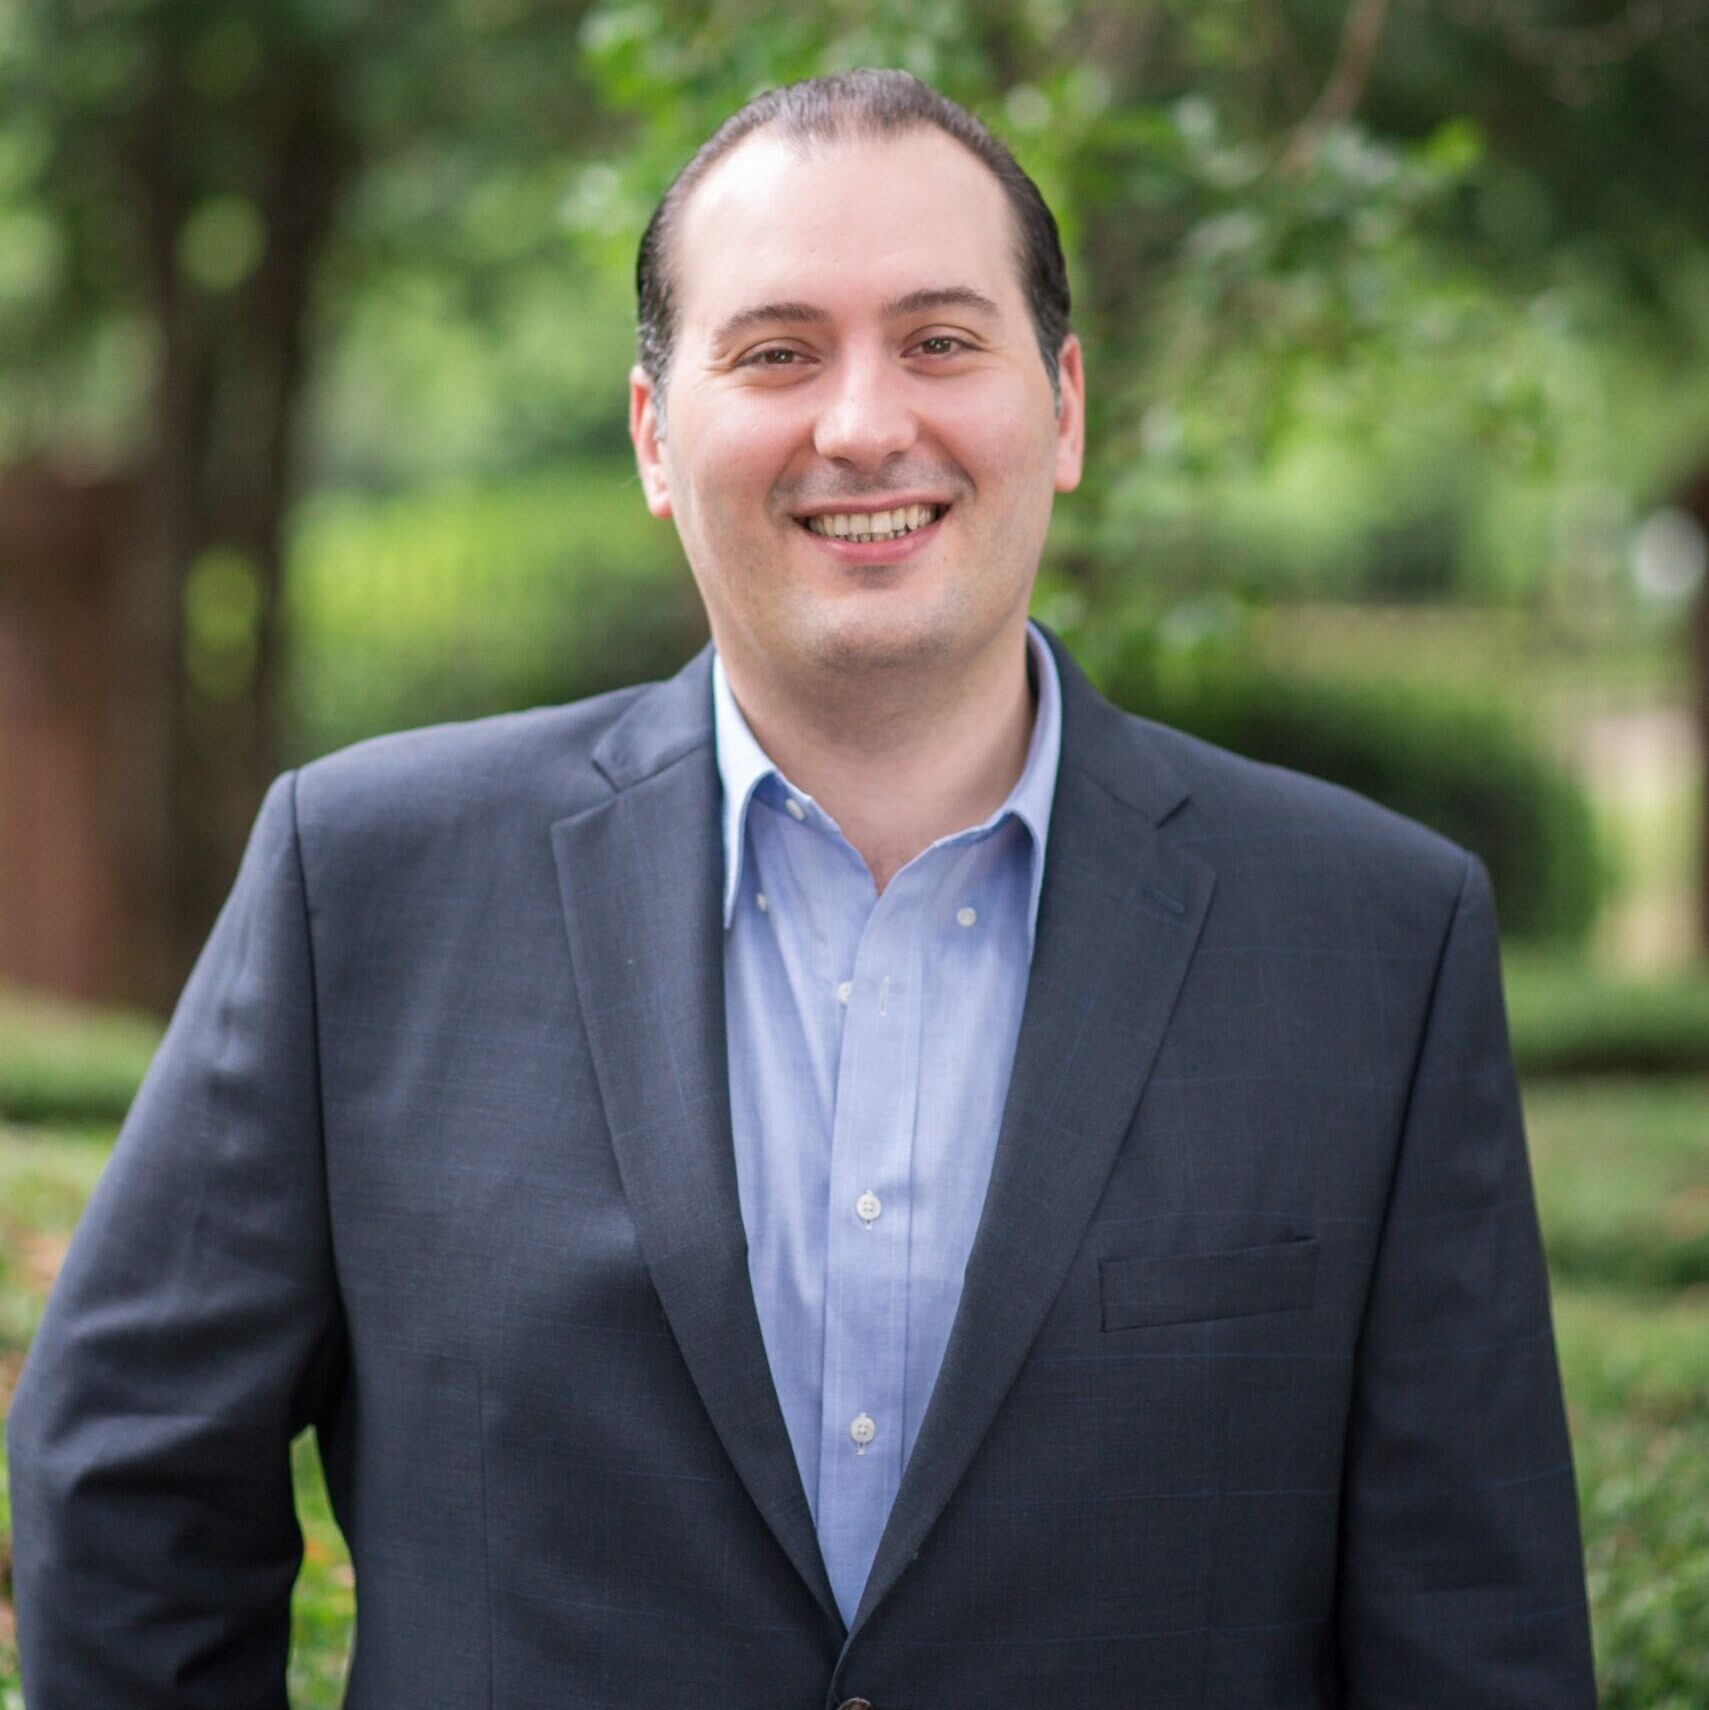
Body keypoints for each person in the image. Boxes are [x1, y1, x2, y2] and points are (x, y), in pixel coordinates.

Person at [7, 69, 1597, 1708]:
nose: (859, 422)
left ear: (1061, 409)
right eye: (774, 351)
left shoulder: (1371, 942)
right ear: (651, 433)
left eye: (938, 341)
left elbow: (1472, 1614)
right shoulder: (367, 884)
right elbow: (128, 1476)